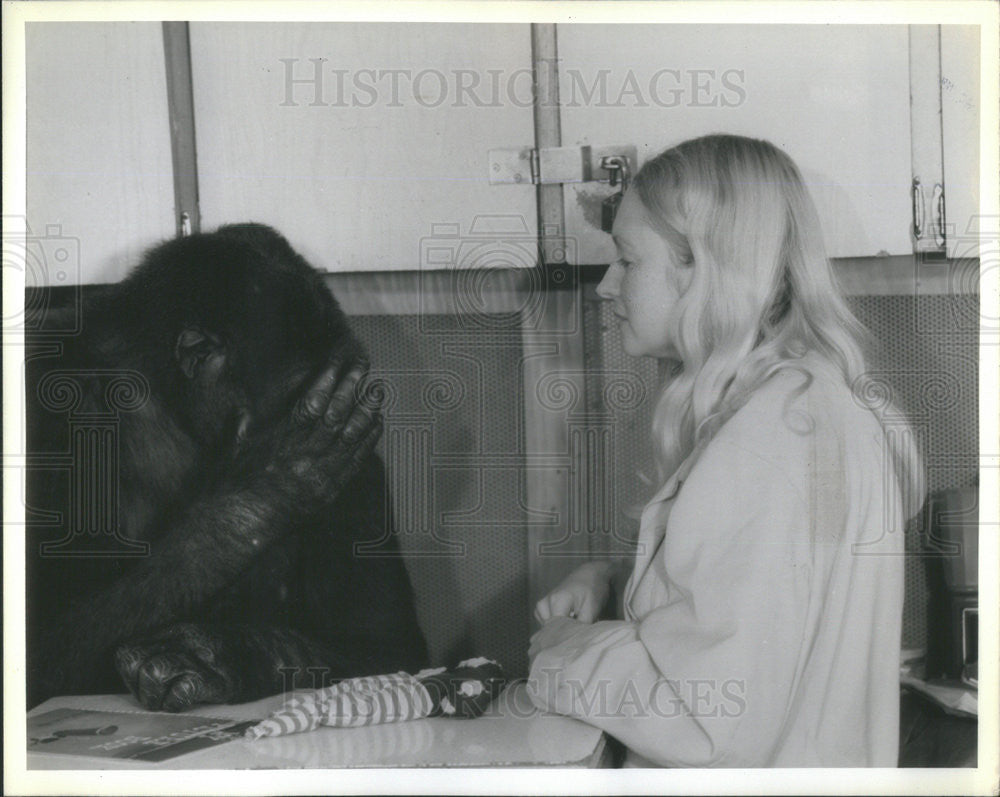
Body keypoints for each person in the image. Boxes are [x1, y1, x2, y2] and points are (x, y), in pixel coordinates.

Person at [527, 134, 924, 768]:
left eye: (628, 260)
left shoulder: (768, 442)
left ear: (702, 268)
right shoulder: (806, 406)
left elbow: (702, 724)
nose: (606, 286)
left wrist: (567, 649)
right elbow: (756, 621)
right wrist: (619, 582)